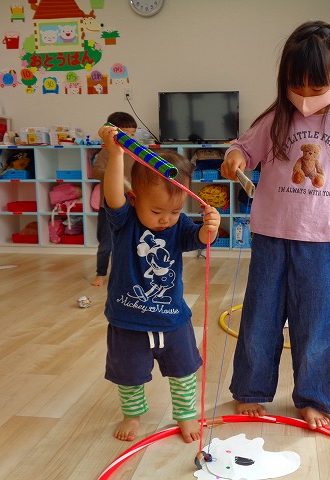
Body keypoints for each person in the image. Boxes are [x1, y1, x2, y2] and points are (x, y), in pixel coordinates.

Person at [220, 20, 330, 429]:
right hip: (270, 233)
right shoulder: (276, 119)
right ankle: (251, 389)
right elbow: (243, 149)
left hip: (319, 239)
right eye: (296, 85)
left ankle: (315, 396)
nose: (305, 96)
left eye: (316, 86)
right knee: (260, 316)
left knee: (316, 321)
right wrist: (235, 158)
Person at [97, 124, 221, 443]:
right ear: (134, 198)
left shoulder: (177, 225)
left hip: (172, 320)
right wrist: (115, 154)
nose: (166, 218)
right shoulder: (124, 221)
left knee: (184, 371)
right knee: (129, 375)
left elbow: (200, 239)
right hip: (128, 321)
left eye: (175, 210)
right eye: (156, 211)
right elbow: (112, 194)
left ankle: (186, 414)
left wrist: (211, 227)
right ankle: (132, 415)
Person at [91, 112, 138, 287]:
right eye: (125, 134)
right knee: (106, 243)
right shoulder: (106, 153)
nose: (129, 138)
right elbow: (96, 172)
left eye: (132, 134)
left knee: (130, 242)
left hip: (132, 204)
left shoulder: (136, 152)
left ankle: (127, 273)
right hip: (109, 208)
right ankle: (101, 273)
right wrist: (113, 173)